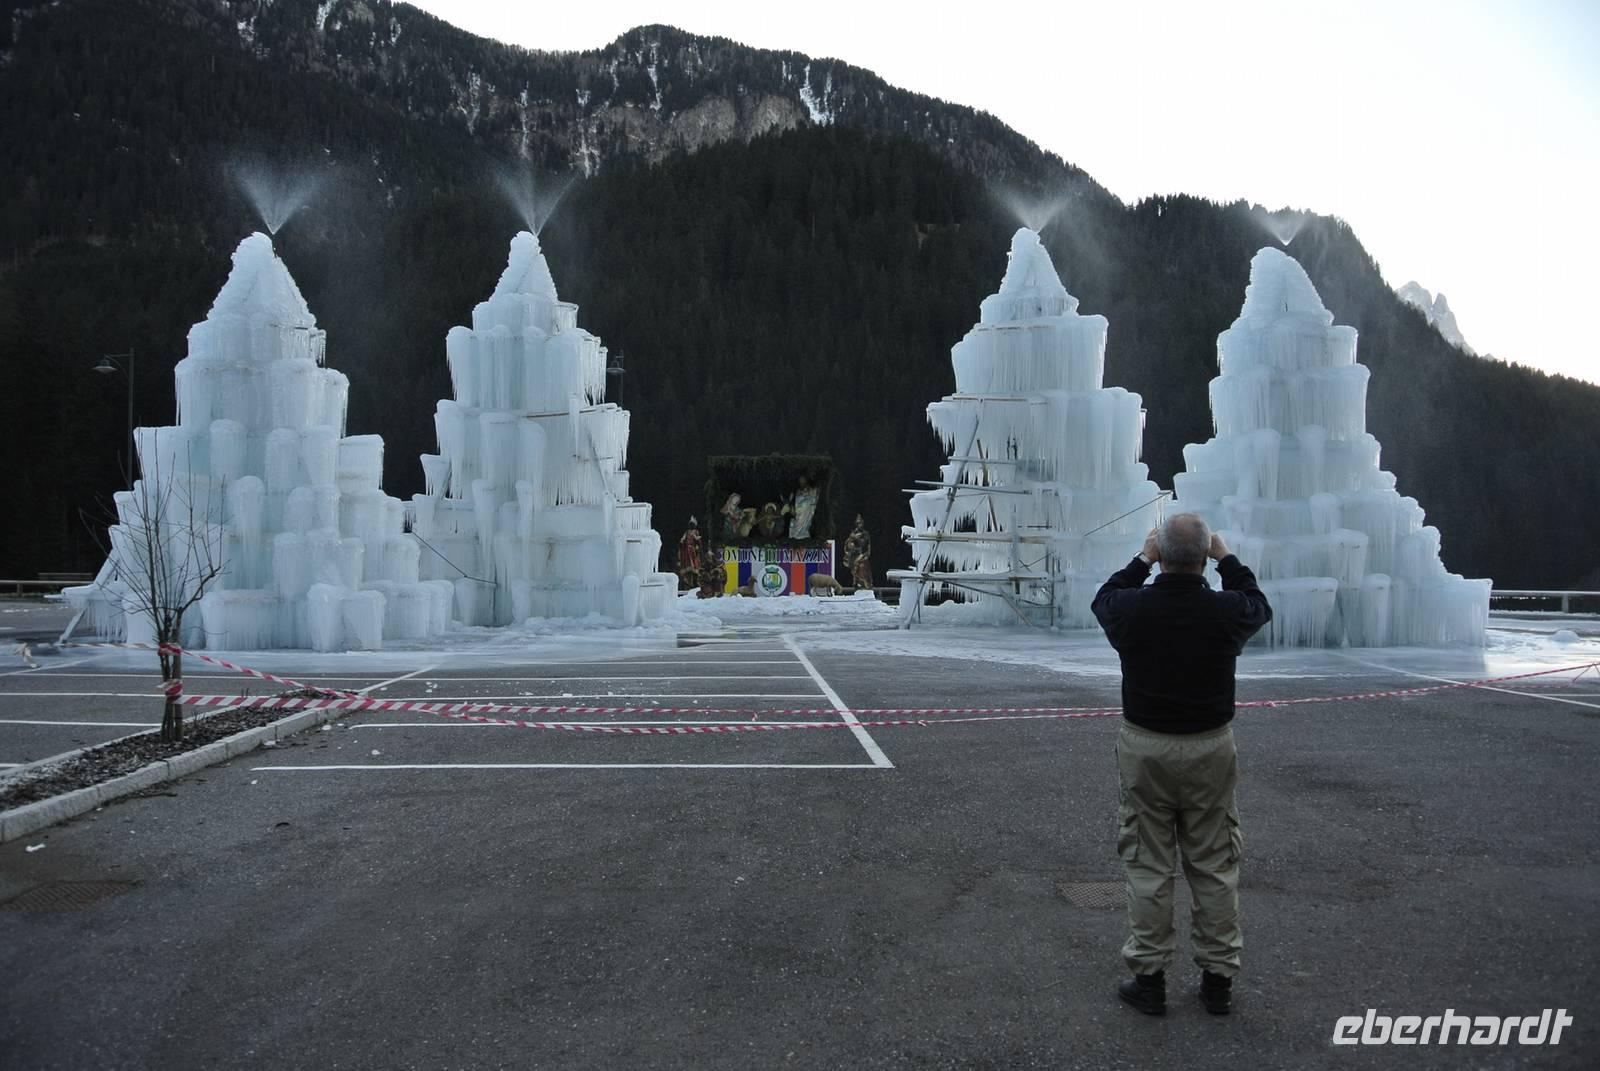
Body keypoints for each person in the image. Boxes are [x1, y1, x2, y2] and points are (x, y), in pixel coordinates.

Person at [1090, 513, 1271, 1017]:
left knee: (1148, 864)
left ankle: (1148, 980)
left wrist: (1141, 558)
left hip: (1146, 744)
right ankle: (1217, 980)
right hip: (1210, 744)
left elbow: (1103, 597)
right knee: (1213, 863)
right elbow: (1259, 604)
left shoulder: (1132, 609)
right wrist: (1227, 557)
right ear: (1204, 558)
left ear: (1163, 556)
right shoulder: (1226, 611)